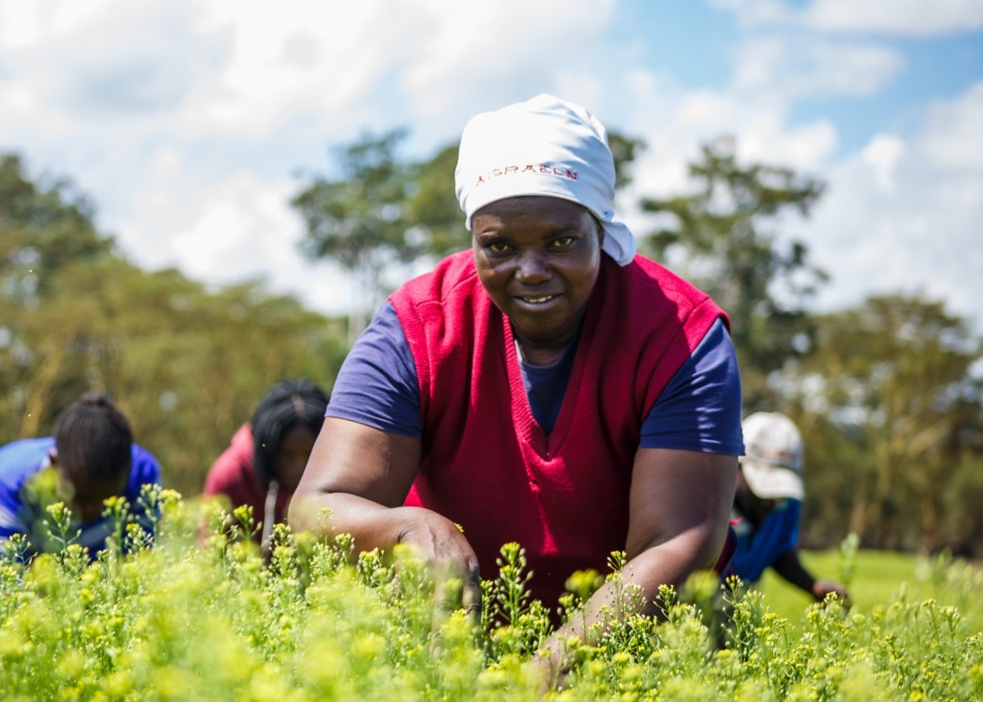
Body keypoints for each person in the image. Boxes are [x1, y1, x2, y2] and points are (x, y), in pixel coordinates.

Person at [289, 94, 743, 676]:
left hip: (637, 644)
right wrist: (407, 526)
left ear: (598, 227)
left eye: (561, 241)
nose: (530, 270)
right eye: (499, 246)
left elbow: (676, 542)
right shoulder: (418, 326)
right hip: (455, 637)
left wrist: (548, 672)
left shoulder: (682, 334)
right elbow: (317, 506)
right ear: (473, 236)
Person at [0, 392, 162, 561]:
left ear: (129, 470)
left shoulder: (144, 475)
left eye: (110, 500)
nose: (95, 510)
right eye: (82, 499)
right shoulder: (6, 486)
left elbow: (135, 567)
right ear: (54, 464)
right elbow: (1, 590)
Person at [727, 411, 849, 602]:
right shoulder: (711, 506)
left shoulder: (785, 504)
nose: (771, 500)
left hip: (737, 610)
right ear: (737, 466)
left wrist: (812, 586)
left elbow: (778, 550)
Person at [203, 379, 328, 550]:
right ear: (269, 448)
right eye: (287, 455)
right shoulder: (230, 475)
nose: (299, 466)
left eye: (310, 454)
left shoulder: (335, 474)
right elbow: (210, 554)